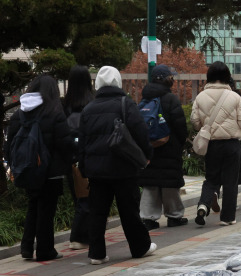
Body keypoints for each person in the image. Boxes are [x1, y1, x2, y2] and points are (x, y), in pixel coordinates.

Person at [78, 66, 155, 264]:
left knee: (98, 213)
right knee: (129, 211)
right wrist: (146, 155)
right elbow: (140, 132)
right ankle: (140, 247)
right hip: (123, 168)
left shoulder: (88, 109)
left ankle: (97, 253)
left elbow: (83, 143)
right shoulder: (126, 104)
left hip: (96, 171)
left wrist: (84, 169)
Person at [5, 75, 74, 261]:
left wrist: (14, 164)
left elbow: (10, 143)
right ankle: (45, 250)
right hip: (50, 171)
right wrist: (69, 163)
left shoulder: (20, 113)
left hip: (27, 168)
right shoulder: (54, 112)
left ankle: (26, 247)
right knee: (46, 210)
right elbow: (65, 143)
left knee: (33, 206)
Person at [191, 61, 241, 225]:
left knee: (211, 178)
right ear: (227, 77)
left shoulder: (200, 97)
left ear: (209, 77)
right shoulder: (235, 97)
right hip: (232, 144)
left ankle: (203, 205)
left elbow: (195, 122)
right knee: (231, 181)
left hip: (211, 144)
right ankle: (227, 217)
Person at [137, 64, 189, 231]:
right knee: (169, 184)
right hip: (169, 147)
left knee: (150, 185)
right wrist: (180, 144)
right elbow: (180, 125)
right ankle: (174, 216)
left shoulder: (144, 99)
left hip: (150, 148)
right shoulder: (170, 99)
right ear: (168, 79)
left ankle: (148, 218)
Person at [63, 65, 94, 250]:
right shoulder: (92, 103)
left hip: (70, 158)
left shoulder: (64, 105)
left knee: (79, 197)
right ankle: (79, 236)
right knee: (89, 198)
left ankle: (84, 235)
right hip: (90, 156)